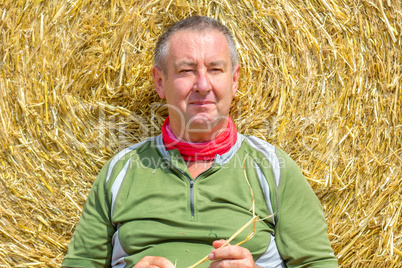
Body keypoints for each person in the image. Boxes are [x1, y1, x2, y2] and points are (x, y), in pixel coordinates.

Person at [62, 16, 338, 268]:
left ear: (235, 79)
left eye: (215, 69)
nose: (203, 85)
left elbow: (318, 264)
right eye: (186, 71)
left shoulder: (273, 168)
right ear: (160, 82)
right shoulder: (120, 171)